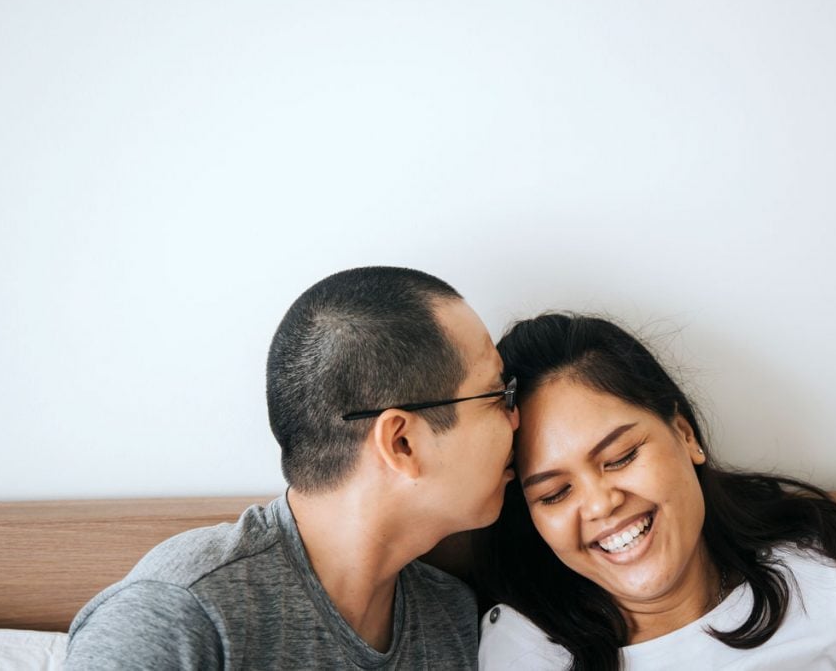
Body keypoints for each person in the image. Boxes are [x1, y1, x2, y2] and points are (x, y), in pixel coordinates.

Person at [67, 266, 519, 669]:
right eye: (499, 395)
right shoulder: (179, 614)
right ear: (402, 443)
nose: (517, 419)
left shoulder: (451, 617)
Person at [475, 313, 836, 671]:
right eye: (555, 493)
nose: (601, 504)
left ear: (685, 435)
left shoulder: (834, 585)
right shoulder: (525, 648)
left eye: (620, 457)